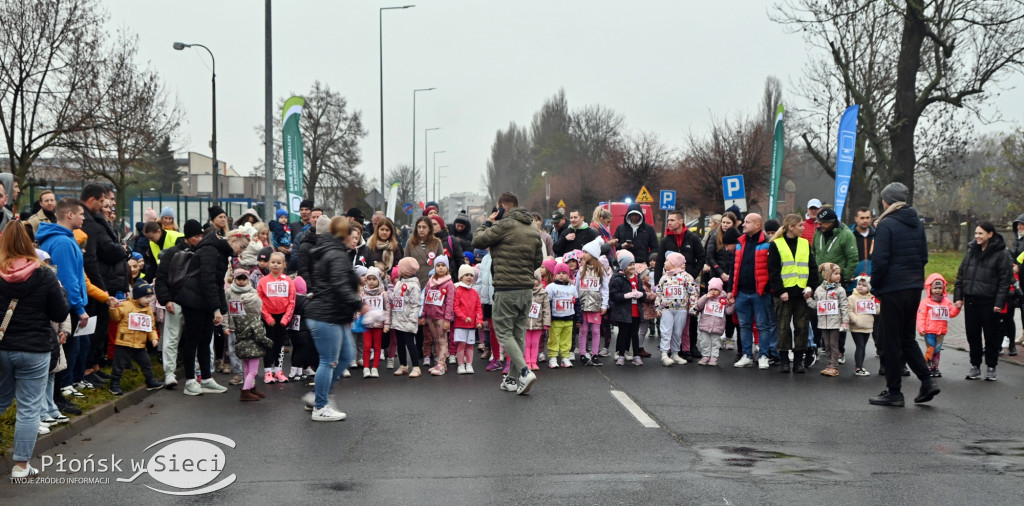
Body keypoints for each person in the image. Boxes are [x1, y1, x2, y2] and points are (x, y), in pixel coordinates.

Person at [0, 220, 70, 478]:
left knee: (0, 399)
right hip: (35, 348)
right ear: (31, 243)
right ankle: (21, 466)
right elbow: (59, 312)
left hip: (3, 346)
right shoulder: (44, 274)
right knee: (29, 407)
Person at [868, 182, 939, 407]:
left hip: (892, 288)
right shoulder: (916, 223)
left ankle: (894, 392)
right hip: (913, 287)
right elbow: (924, 256)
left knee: (890, 341)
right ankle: (927, 381)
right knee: (907, 337)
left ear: (887, 201)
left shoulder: (886, 224)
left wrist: (875, 286)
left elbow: (879, 260)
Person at [471, 192, 541, 394]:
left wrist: (487, 221)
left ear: (502, 207)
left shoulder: (503, 225)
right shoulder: (532, 228)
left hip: (506, 288)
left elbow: (478, 241)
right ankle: (511, 380)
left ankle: (525, 372)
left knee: (503, 332)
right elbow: (537, 261)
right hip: (526, 290)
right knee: (518, 333)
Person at [303, 217, 366, 421]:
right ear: (345, 236)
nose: (354, 240)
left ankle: (319, 396)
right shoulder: (336, 254)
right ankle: (320, 407)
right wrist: (360, 305)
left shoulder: (329, 251)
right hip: (327, 315)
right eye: (353, 236)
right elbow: (341, 286)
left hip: (332, 314)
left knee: (346, 356)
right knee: (328, 361)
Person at [177, 227, 248, 396]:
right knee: (192, 340)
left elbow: (217, 283)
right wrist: (217, 309)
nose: (242, 251)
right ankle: (190, 381)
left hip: (204, 301)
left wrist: (220, 308)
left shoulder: (221, 253)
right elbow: (207, 280)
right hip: (193, 299)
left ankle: (207, 379)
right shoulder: (211, 250)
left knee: (204, 340)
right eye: (242, 246)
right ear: (232, 241)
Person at [953, 221, 1012, 381]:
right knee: (973, 335)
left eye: (980, 233)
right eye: (976, 233)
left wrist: (999, 303)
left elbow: (1004, 281)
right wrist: (958, 297)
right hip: (971, 300)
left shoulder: (1001, 254)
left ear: (990, 234)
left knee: (991, 335)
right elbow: (961, 275)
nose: (977, 236)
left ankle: (991, 366)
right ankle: (975, 366)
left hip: (990, 302)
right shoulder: (971, 250)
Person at [153, 219, 204, 389]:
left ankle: (195, 369)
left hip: (195, 302)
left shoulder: (202, 253)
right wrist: (166, 299)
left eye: (201, 235)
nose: (200, 238)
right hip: (175, 301)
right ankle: (169, 373)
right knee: (172, 337)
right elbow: (161, 278)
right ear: (188, 236)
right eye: (197, 235)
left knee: (193, 338)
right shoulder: (172, 253)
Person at [768, 214, 817, 373]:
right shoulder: (776, 244)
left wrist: (810, 286)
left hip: (802, 293)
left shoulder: (805, 244)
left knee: (802, 328)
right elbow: (773, 271)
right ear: (791, 227)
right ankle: (783, 360)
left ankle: (798, 361)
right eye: (801, 225)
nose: (803, 228)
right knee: (783, 328)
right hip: (784, 294)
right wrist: (780, 291)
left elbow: (812, 268)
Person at [729, 213, 774, 369]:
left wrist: (769, 288)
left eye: (747, 222)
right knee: (744, 325)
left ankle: (763, 356)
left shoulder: (768, 243)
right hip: (742, 291)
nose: (743, 225)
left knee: (763, 325)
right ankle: (747, 355)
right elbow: (733, 267)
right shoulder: (740, 243)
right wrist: (731, 289)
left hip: (760, 292)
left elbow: (773, 268)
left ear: (757, 225)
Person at [107, 283, 164, 395]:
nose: (149, 300)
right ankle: (114, 385)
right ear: (138, 296)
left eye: (150, 297)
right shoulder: (126, 305)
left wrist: (154, 338)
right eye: (146, 297)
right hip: (124, 342)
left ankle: (150, 381)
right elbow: (116, 317)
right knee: (119, 365)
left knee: (146, 363)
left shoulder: (148, 311)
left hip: (139, 344)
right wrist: (113, 308)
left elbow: (151, 327)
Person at [225, 268, 272, 401]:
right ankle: (245, 391)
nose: (241, 281)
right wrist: (269, 343)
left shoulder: (240, 319)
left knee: (247, 369)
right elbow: (260, 336)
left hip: (243, 345)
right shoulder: (255, 321)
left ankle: (251, 388)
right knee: (253, 371)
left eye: (243, 278)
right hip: (253, 348)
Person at [258, 252, 296, 384]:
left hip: (282, 318)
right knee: (269, 344)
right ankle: (268, 371)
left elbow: (292, 300)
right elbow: (260, 300)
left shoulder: (288, 281)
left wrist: (286, 318)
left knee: (280, 344)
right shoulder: (263, 281)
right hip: (268, 317)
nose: (275, 265)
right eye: (273, 262)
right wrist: (267, 317)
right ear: (269, 264)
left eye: (279, 263)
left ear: (284, 265)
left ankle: (278, 370)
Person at [654, 252, 698, 366]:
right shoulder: (664, 278)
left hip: (681, 309)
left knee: (678, 332)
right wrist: (658, 307)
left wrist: (693, 307)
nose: (664, 262)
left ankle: (675, 353)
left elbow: (693, 293)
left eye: (667, 261)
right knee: (666, 331)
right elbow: (659, 293)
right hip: (666, 309)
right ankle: (664, 354)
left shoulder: (687, 277)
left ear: (674, 264)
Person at [806, 263, 849, 377]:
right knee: (827, 345)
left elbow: (844, 306)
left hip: (835, 322)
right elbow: (816, 305)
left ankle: (834, 366)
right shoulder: (819, 290)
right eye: (835, 273)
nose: (838, 276)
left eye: (839, 273)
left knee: (834, 344)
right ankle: (829, 364)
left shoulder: (840, 290)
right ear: (827, 275)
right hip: (823, 323)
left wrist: (845, 321)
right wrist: (808, 299)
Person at [916, 273, 959, 378]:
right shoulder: (925, 302)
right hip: (929, 330)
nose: (937, 290)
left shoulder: (946, 302)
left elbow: (951, 313)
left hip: (941, 331)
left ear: (943, 288)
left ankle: (935, 367)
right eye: (935, 288)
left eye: (940, 288)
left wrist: (957, 308)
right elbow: (921, 316)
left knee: (937, 351)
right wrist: (921, 328)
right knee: (930, 349)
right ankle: (928, 367)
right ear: (929, 288)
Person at [577, 239, 610, 365]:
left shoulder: (601, 271)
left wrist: (604, 304)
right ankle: (582, 353)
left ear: (593, 254)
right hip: (583, 305)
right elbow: (576, 287)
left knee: (596, 331)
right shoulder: (581, 270)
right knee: (583, 330)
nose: (583, 254)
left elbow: (605, 289)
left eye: (585, 252)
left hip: (595, 306)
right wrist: (576, 303)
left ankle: (595, 354)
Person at [609, 251, 646, 366]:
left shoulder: (637, 278)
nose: (632, 267)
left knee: (634, 334)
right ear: (624, 267)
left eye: (633, 264)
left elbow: (643, 292)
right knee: (623, 334)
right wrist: (626, 295)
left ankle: (636, 355)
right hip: (624, 311)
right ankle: (621, 355)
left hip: (636, 311)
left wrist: (641, 294)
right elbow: (614, 295)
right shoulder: (618, 278)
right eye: (630, 265)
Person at [391, 257, 424, 377]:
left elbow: (416, 304)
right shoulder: (399, 282)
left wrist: (412, 320)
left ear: (405, 271)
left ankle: (416, 367)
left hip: (408, 320)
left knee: (410, 343)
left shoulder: (413, 285)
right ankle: (403, 365)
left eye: (399, 267)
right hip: (398, 318)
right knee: (400, 343)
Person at [422, 255, 455, 374]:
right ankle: (439, 363)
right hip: (431, 316)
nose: (440, 268)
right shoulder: (430, 282)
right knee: (436, 340)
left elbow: (450, 303)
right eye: (438, 266)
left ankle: (441, 364)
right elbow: (426, 299)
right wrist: (424, 315)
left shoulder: (449, 284)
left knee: (442, 340)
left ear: (447, 268)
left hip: (441, 317)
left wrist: (447, 319)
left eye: (443, 265)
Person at [695, 278, 734, 366]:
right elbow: (698, 306)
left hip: (717, 326)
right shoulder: (706, 298)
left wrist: (732, 304)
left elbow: (728, 312)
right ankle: (705, 356)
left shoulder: (723, 300)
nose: (713, 291)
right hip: (705, 325)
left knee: (715, 343)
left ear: (720, 290)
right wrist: (705, 297)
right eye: (711, 289)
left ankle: (714, 357)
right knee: (705, 341)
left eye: (715, 290)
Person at [452, 264, 483, 374]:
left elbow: (478, 307)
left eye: (471, 275)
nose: (469, 277)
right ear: (461, 277)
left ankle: (469, 364)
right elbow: (455, 307)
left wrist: (479, 321)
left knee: (470, 344)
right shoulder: (458, 290)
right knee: (462, 344)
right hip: (461, 323)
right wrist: (464, 317)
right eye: (466, 275)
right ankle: (461, 365)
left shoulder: (474, 292)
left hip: (471, 325)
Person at [546, 262, 577, 369]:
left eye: (564, 273)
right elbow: (547, 304)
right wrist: (548, 318)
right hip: (555, 319)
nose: (561, 275)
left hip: (569, 319)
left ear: (568, 274)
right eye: (559, 273)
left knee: (567, 340)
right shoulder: (551, 287)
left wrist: (578, 318)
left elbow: (576, 304)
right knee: (553, 339)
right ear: (555, 275)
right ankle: (553, 357)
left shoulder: (572, 288)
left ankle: (565, 357)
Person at [360, 267, 390, 378]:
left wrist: (387, 324)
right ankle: (366, 368)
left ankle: (375, 368)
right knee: (367, 346)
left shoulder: (383, 294)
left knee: (377, 346)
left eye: (374, 279)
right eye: (369, 279)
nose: (371, 281)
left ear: (378, 280)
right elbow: (358, 308)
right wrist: (358, 319)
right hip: (366, 325)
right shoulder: (363, 293)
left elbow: (387, 309)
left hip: (378, 325)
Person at [847, 275, 877, 377]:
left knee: (863, 346)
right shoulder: (852, 298)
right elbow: (849, 311)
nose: (860, 286)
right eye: (859, 284)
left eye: (864, 285)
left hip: (868, 326)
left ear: (868, 288)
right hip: (857, 326)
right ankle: (858, 368)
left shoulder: (871, 298)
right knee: (860, 346)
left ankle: (860, 365)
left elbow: (876, 311)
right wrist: (856, 320)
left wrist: (877, 304)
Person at [404, 216, 445, 288]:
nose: (421, 230)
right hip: (414, 280)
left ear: (429, 229)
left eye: (424, 227)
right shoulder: (410, 242)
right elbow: (405, 263)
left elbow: (441, 262)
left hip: (431, 280)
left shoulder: (437, 242)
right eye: (419, 227)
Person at [524, 268, 551, 371]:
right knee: (527, 343)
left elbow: (546, 309)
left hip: (538, 324)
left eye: (535, 279)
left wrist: (546, 322)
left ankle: (533, 362)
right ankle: (527, 361)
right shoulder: (524, 292)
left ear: (539, 280)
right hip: (526, 323)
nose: (533, 281)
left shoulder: (543, 293)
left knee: (535, 343)